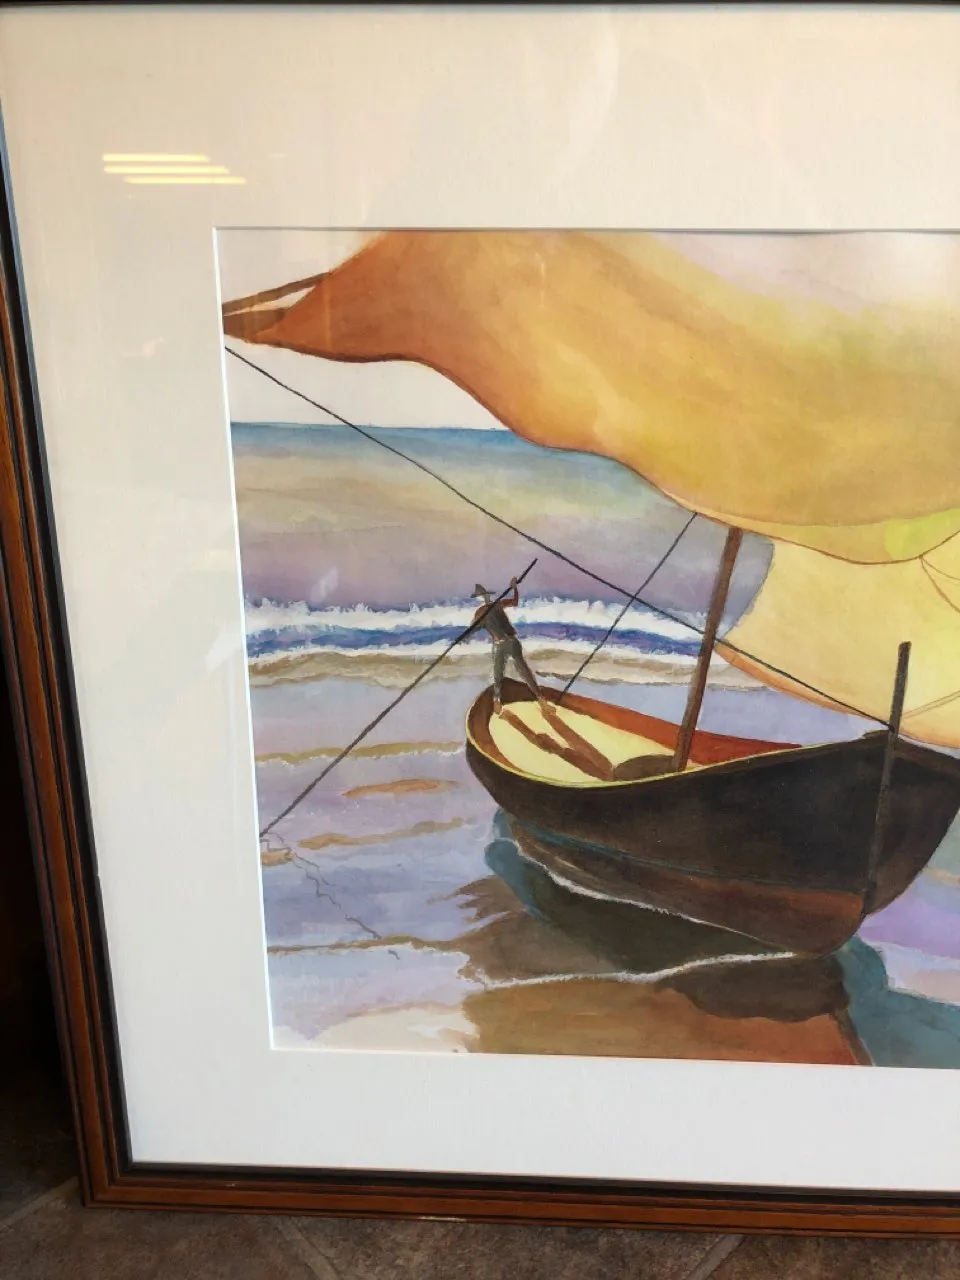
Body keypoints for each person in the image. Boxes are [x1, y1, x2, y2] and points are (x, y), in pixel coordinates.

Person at [467, 577, 546, 714]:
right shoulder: (483, 611)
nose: (484, 598)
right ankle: (497, 701)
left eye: (484, 596)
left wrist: (514, 588)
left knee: (522, 671)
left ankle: (540, 698)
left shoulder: (494, 606)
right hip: (503, 644)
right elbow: (472, 629)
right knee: (499, 674)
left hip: (509, 642)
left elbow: (514, 602)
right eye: (482, 597)